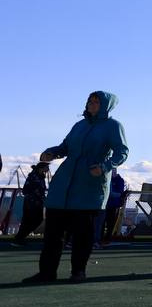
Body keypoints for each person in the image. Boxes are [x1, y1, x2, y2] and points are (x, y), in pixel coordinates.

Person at [23, 91, 129, 284]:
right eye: (91, 101)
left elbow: (122, 152)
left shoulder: (113, 126)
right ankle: (46, 272)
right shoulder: (79, 126)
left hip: (89, 186)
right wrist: (51, 153)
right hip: (63, 185)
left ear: (106, 105)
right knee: (52, 234)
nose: (92, 104)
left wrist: (105, 167)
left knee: (83, 235)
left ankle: (78, 272)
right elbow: (65, 147)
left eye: (97, 102)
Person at [13, 162, 50, 243]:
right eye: (47, 167)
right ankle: (19, 238)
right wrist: (36, 195)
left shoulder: (40, 177)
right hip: (31, 203)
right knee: (30, 220)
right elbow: (26, 189)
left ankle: (20, 237)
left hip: (37, 202)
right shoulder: (34, 176)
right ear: (42, 168)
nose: (48, 169)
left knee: (34, 220)